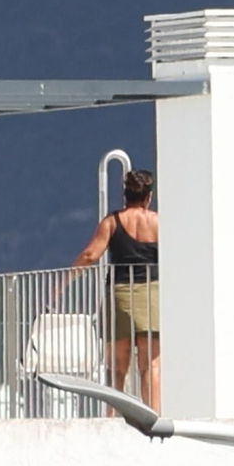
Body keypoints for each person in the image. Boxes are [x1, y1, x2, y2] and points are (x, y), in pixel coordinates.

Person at [71, 168, 160, 409]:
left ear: (125, 196)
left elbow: (90, 255)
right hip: (152, 295)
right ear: (148, 197)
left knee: (116, 368)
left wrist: (65, 281)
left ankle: (109, 419)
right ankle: (153, 417)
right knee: (149, 365)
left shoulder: (112, 222)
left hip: (119, 295)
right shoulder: (159, 222)